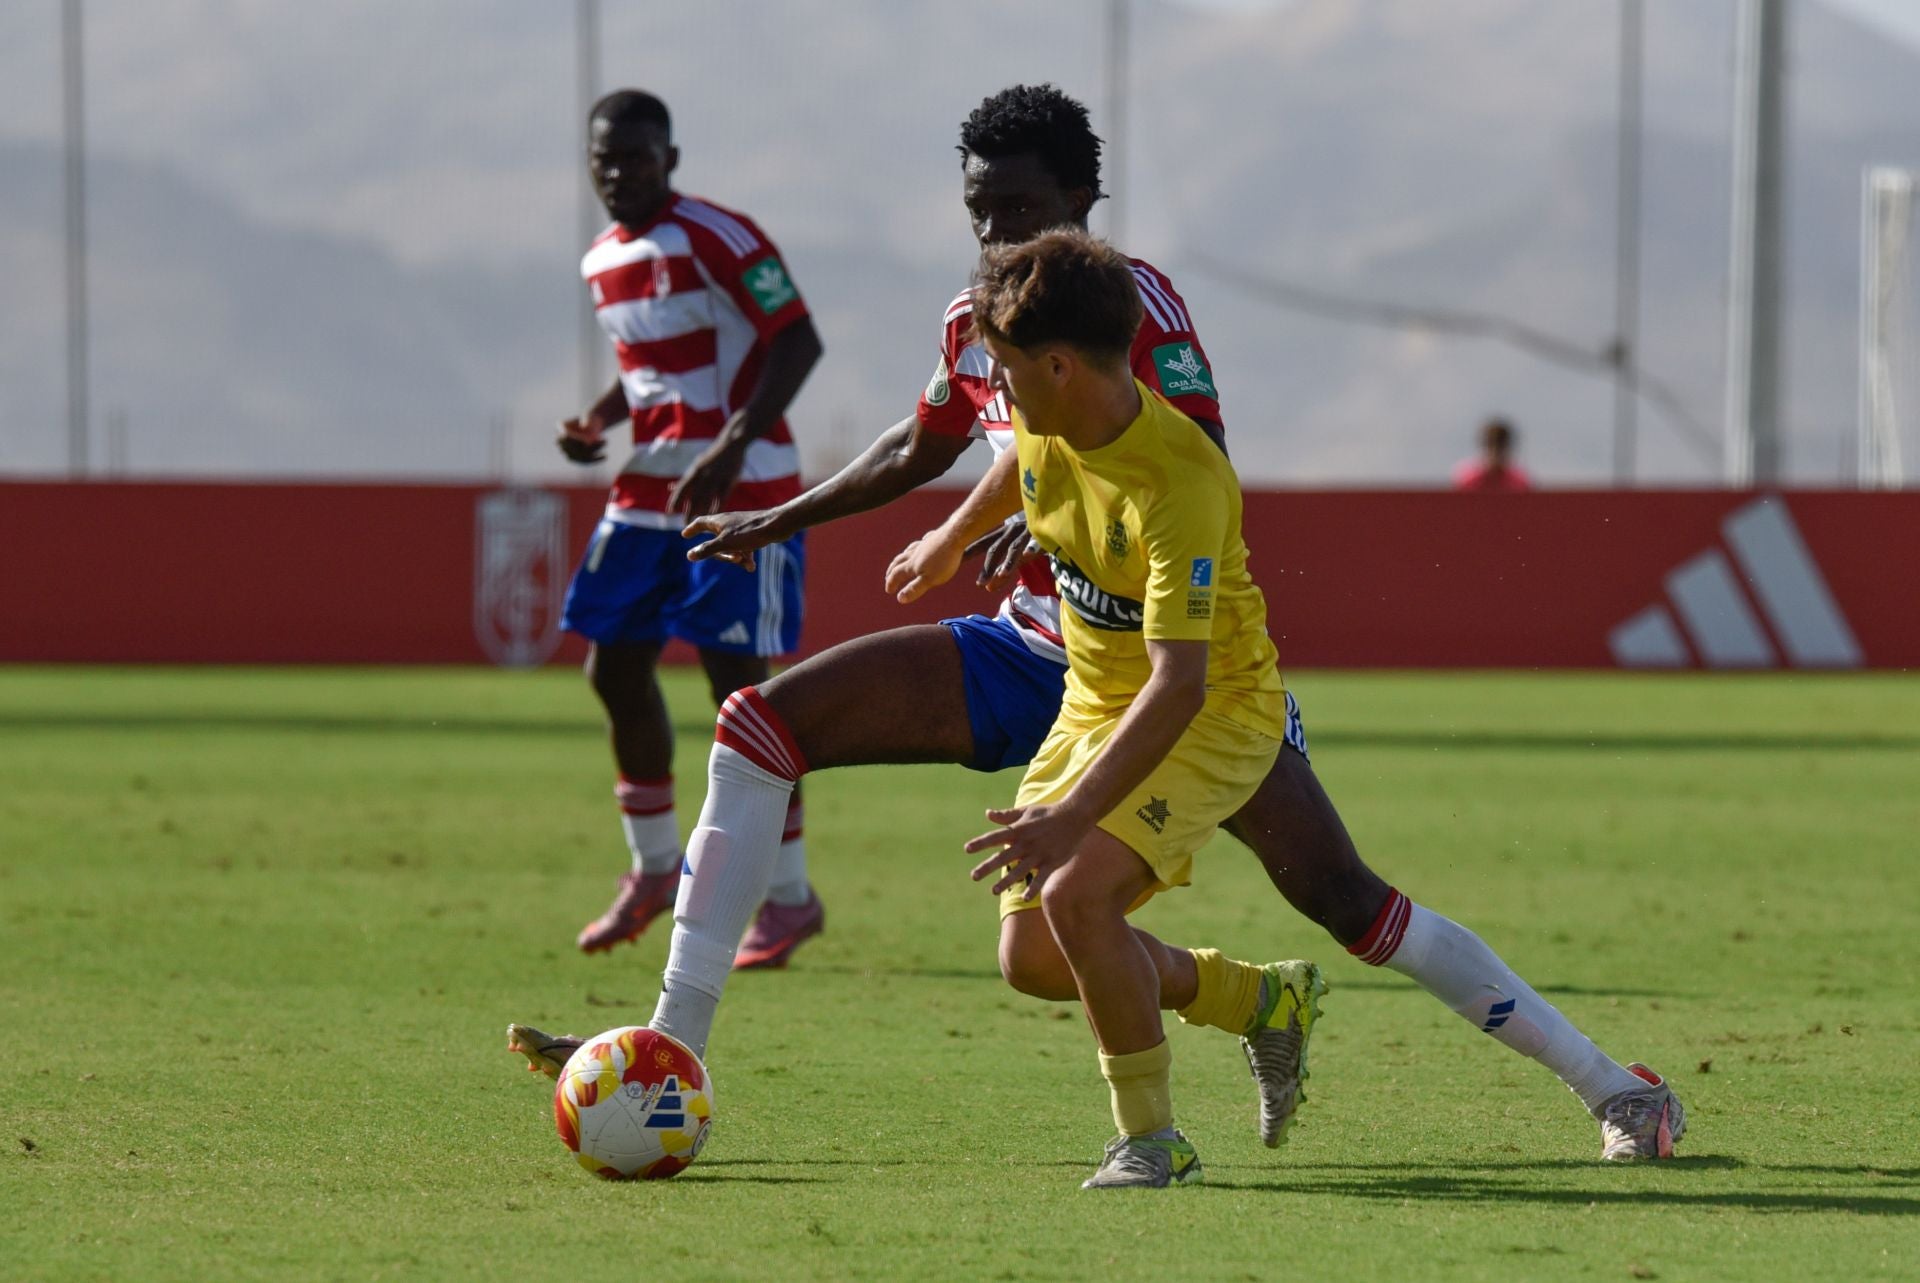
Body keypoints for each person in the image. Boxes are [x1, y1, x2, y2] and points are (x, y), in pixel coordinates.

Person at [511, 84, 1683, 1165]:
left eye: (1018, 205)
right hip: (1041, 649)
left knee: (1344, 898)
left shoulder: (1133, 308)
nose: (995, 230)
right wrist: (789, 516)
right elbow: (932, 442)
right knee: (766, 731)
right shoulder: (977, 318)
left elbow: (1193, 457)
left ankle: (1611, 1086)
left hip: (1182, 667)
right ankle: (671, 1046)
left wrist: (1065, 507)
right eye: (980, 208)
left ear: (1080, 203)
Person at [557, 88, 826, 968]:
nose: (619, 172)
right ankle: (654, 866)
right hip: (649, 494)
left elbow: (797, 339)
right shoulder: (602, 259)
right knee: (613, 667)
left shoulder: (718, 233)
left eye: (636, 156)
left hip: (742, 490)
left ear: (669, 158)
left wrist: (732, 444)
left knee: (741, 690)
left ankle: (787, 897)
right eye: (606, 159)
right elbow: (647, 374)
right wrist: (599, 419)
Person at [1451, 416, 1533, 491]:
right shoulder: (1467, 479)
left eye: (1500, 446)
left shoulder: (1519, 482)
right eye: (1491, 445)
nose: (1495, 451)